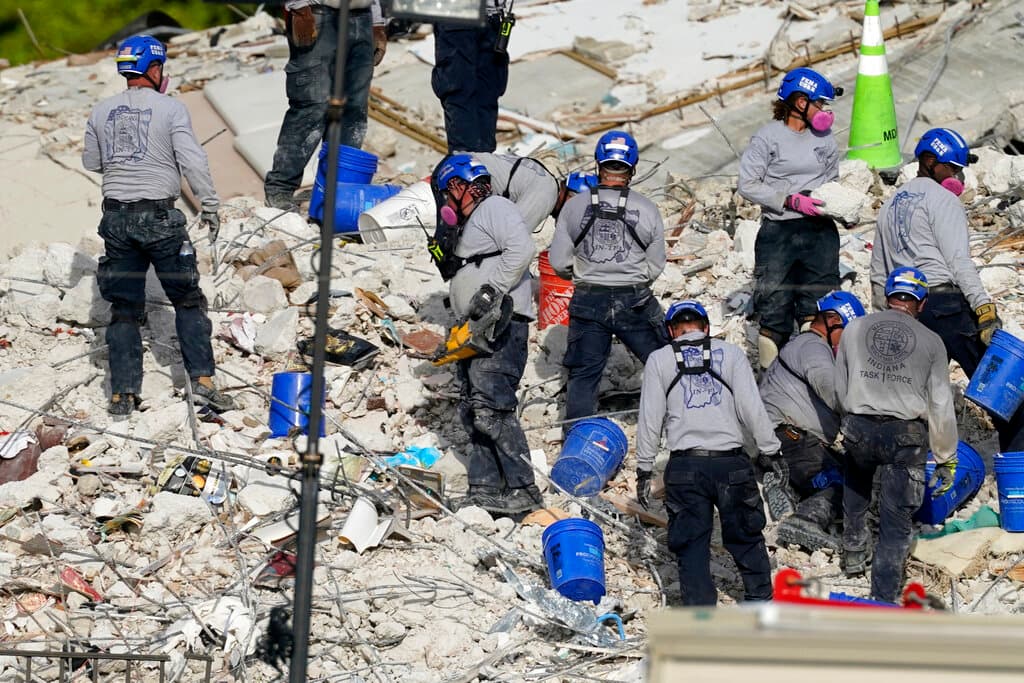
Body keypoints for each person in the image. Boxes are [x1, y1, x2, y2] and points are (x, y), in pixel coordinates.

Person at [83, 35, 235, 417]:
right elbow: (192, 162)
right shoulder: (172, 109)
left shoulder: (101, 111)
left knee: (123, 308)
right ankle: (202, 383)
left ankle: (122, 395)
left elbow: (91, 161)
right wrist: (211, 205)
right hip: (161, 219)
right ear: (154, 69)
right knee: (186, 300)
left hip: (116, 220)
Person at [869, 128, 1021, 449]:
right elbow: (958, 261)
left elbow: (878, 275)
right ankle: (1018, 467)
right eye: (952, 168)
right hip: (945, 305)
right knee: (1003, 394)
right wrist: (983, 308)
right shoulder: (943, 200)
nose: (958, 177)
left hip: (906, 314)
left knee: (912, 403)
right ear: (929, 161)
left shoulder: (889, 205)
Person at [635, 300, 780, 606]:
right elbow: (752, 409)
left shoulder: (659, 360)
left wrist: (644, 467)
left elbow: (650, 419)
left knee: (691, 545)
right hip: (731, 464)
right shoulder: (731, 354)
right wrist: (772, 451)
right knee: (746, 537)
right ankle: (759, 604)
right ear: (706, 328)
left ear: (672, 330)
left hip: (686, 468)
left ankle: (701, 618)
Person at [835, 267, 958, 603]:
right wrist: (946, 456)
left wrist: (848, 419)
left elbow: (839, 384)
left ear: (887, 295)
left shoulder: (855, 328)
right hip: (904, 435)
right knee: (895, 522)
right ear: (921, 303)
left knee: (857, 482)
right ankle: (883, 597)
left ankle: (853, 551)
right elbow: (940, 404)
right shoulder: (932, 342)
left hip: (858, 427)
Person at [433, 154, 542, 515]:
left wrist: (491, 289)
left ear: (457, 186)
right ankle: (485, 488)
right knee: (473, 409)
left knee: (492, 408)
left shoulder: (494, 206)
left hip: (501, 325)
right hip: (477, 328)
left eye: (445, 196)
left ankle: (524, 490)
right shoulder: (475, 221)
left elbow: (522, 249)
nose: (445, 205)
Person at [549, 130, 668, 424]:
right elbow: (656, 264)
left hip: (589, 299)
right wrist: (633, 277)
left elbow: (559, 262)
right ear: (633, 167)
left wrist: (584, 275)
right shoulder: (647, 209)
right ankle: (681, 424)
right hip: (635, 298)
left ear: (598, 164)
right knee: (665, 363)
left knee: (584, 374)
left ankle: (576, 436)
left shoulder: (574, 207)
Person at [737, 67, 843, 370]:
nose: (823, 111)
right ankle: (771, 378)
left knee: (817, 306)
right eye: (818, 103)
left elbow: (832, 181)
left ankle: (813, 373)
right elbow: (748, 184)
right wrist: (788, 199)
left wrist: (841, 205)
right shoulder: (768, 138)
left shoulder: (824, 138)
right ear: (800, 102)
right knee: (774, 307)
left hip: (820, 231)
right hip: (779, 233)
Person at [759, 291, 866, 552]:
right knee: (845, 484)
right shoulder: (812, 347)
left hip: (787, 441)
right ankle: (804, 520)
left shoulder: (804, 346)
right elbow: (832, 391)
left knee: (854, 473)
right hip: (792, 439)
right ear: (831, 320)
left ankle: (787, 487)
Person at [264, 0, 387, 211]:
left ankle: (336, 189)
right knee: (312, 106)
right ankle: (280, 188)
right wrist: (299, 7)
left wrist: (377, 21)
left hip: (362, 17)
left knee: (353, 112)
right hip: (318, 14)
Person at [432, 0, 509, 153]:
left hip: (492, 17)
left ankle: (484, 162)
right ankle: (467, 162)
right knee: (459, 91)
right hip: (457, 15)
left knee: (487, 92)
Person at [468, 152, 597, 232]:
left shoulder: (547, 183)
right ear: (570, 195)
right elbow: (511, 237)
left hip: (463, 166)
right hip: (463, 178)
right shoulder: (546, 196)